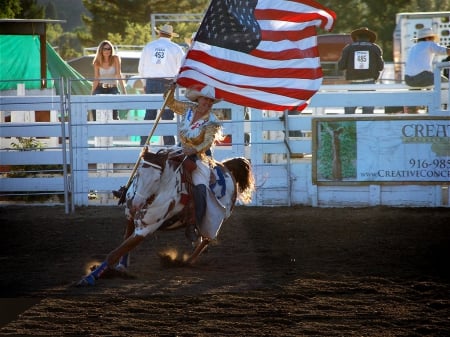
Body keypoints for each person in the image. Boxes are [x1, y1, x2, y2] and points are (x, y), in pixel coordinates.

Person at [165, 84, 223, 240]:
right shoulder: (187, 108)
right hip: (179, 149)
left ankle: (194, 224)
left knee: (200, 187)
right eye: (205, 99)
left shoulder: (212, 120)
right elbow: (169, 102)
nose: (208, 103)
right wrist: (171, 88)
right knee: (157, 164)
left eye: (211, 101)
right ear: (199, 98)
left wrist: (194, 149)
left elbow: (208, 142)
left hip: (198, 156)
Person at [138, 24, 185, 145]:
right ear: (171, 36)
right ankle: (169, 144)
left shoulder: (149, 47)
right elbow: (182, 68)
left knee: (150, 114)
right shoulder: (176, 48)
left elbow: (141, 68)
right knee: (167, 116)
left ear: (159, 33)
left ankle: (144, 142)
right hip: (168, 83)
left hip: (151, 82)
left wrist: (144, 83)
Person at [338, 27, 384, 114]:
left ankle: (350, 127)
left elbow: (341, 66)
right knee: (368, 110)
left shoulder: (348, 48)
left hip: (353, 83)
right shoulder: (375, 48)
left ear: (356, 37)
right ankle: (366, 127)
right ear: (369, 38)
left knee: (349, 111)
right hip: (370, 83)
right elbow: (381, 67)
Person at [91, 40, 127, 121]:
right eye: (105, 49)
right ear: (101, 50)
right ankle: (95, 128)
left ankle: (116, 131)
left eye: (109, 49)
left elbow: (119, 75)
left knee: (114, 114)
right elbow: (96, 78)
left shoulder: (115, 58)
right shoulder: (97, 62)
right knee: (94, 107)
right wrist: (92, 93)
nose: (107, 51)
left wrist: (124, 91)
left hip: (113, 88)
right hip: (100, 88)